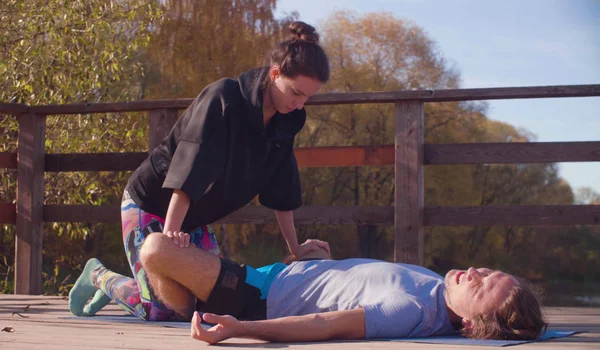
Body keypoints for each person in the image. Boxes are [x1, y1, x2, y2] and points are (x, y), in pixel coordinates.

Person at [68, 21, 331, 321]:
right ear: (274, 73)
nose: (300, 105)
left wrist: (296, 248)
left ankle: (140, 276)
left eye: (308, 98)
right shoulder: (224, 99)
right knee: (161, 308)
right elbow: (190, 168)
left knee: (209, 299)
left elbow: (283, 186)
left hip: (192, 217)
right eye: (296, 93)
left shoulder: (287, 121)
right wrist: (168, 236)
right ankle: (99, 276)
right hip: (153, 204)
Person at [139, 232, 548, 344]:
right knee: (173, 259)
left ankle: (137, 294)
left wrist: (239, 327)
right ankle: (137, 292)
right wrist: (319, 266)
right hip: (280, 275)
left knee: (156, 247)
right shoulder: (437, 289)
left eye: (480, 287)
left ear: (472, 327)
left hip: (255, 297)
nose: (474, 271)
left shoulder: (410, 310)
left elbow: (325, 325)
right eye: (488, 271)